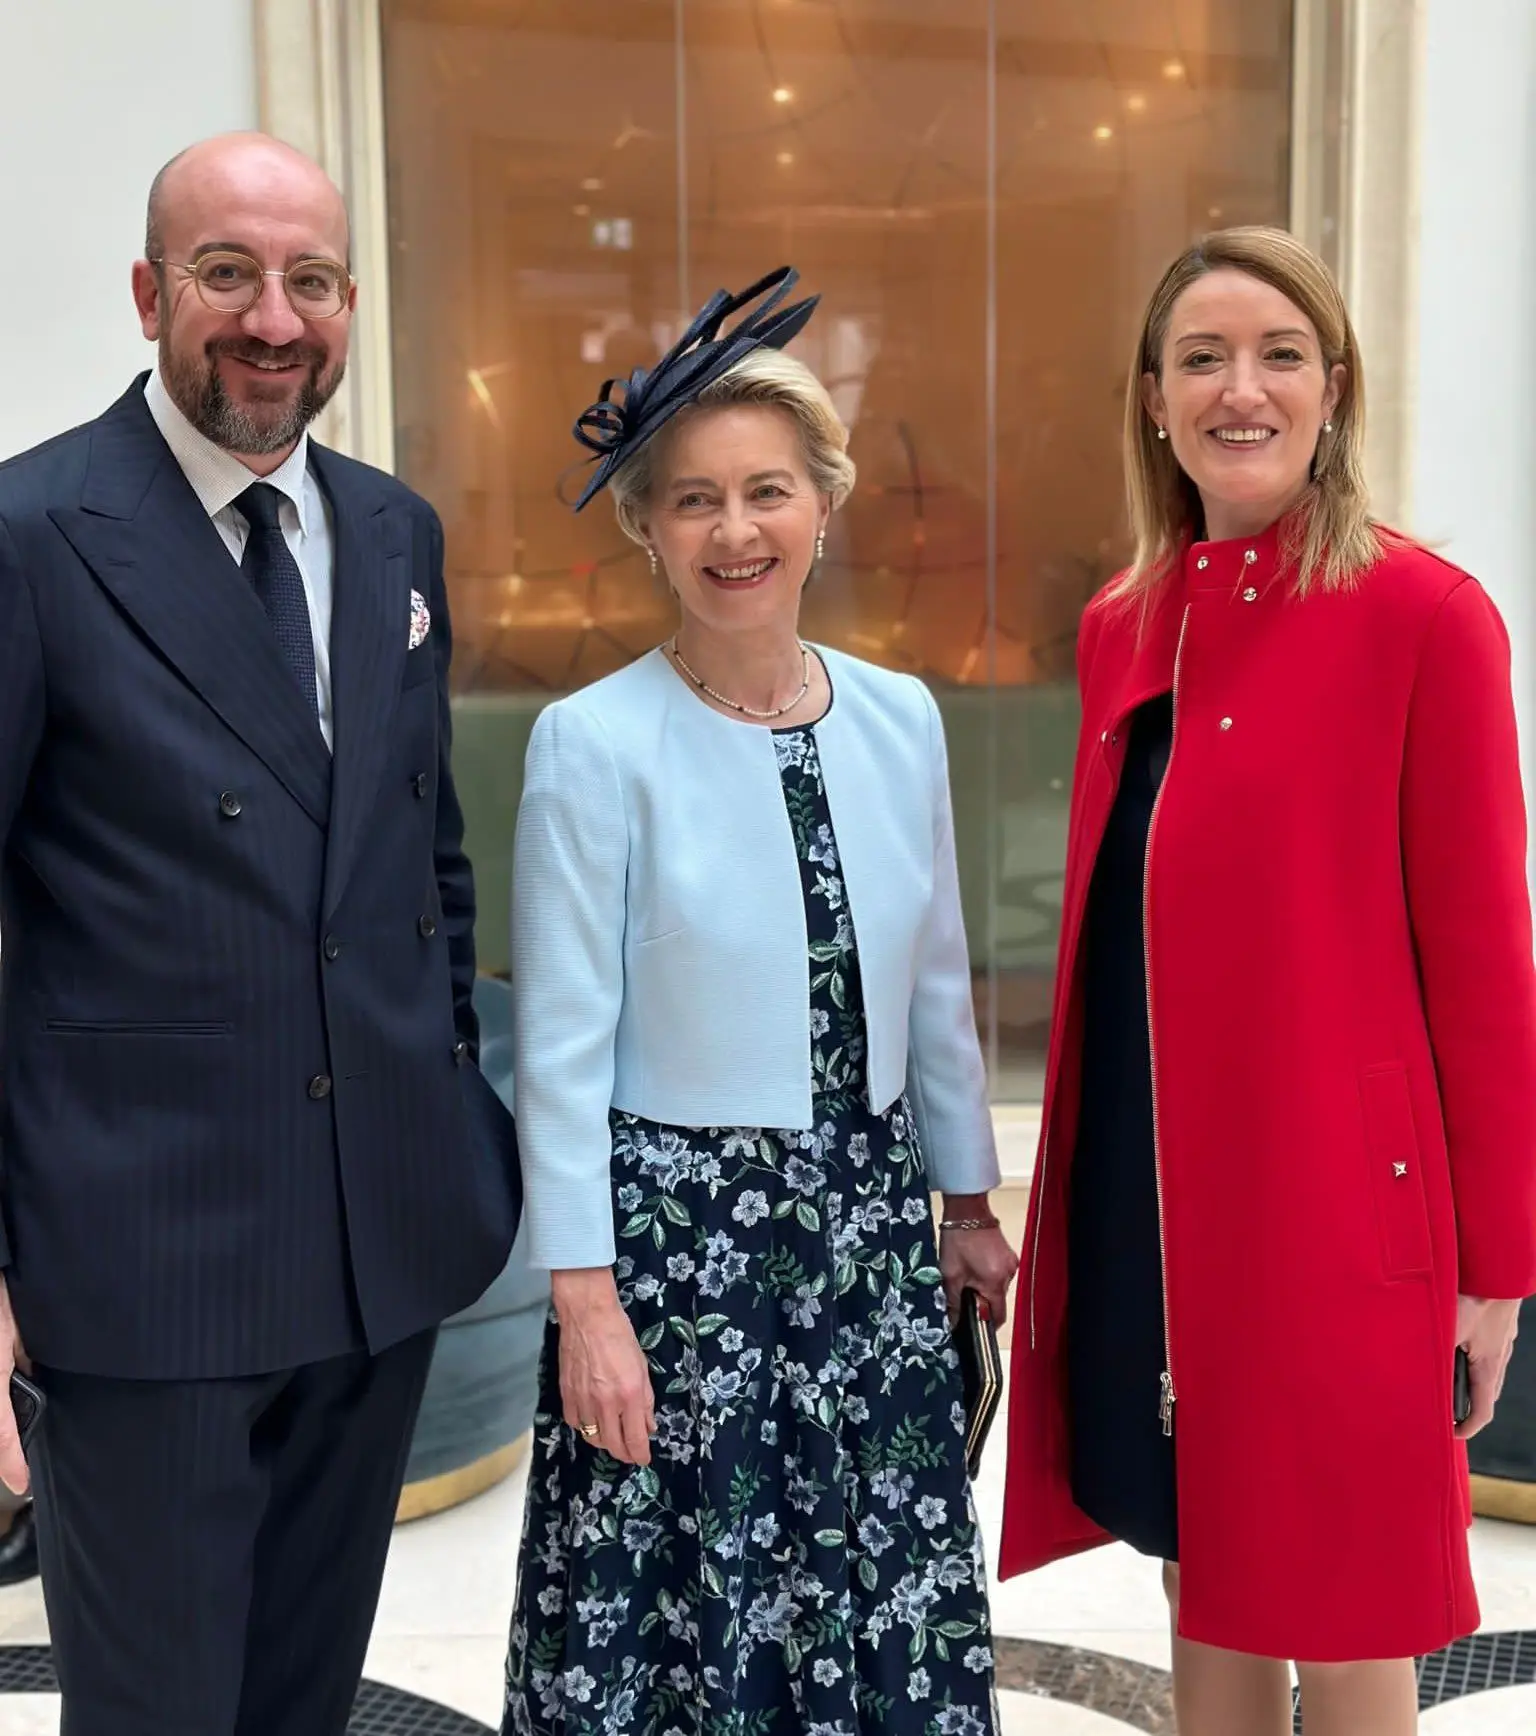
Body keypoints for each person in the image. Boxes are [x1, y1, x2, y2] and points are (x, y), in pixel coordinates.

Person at [0, 133, 519, 1734]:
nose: (273, 319)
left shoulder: (391, 533)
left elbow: (423, 861)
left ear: (350, 303)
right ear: (154, 293)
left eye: (309, 280)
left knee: (302, 1702)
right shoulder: (32, 536)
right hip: (142, 1264)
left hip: (380, 1246)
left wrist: (457, 1124)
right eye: (229, 273)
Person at [999, 224, 1536, 1736]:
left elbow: (1487, 966)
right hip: (1150, 1196)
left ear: (1334, 385)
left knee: (1352, 1602)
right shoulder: (1125, 623)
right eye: (1203, 359)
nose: (1243, 389)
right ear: (1154, 401)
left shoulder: (1425, 616)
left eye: (1280, 354)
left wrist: (1496, 1268)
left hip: (1341, 1204)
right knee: (1196, 1562)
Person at [502, 269, 1016, 1735]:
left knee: (873, 1591)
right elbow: (559, 1047)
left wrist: (965, 1207)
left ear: (824, 505)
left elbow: (930, 987)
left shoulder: (902, 712)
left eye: (768, 491)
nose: (736, 532)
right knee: (685, 1606)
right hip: (679, 1255)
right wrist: (584, 1300)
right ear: (650, 532)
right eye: (695, 502)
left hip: (864, 1234)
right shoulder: (590, 743)